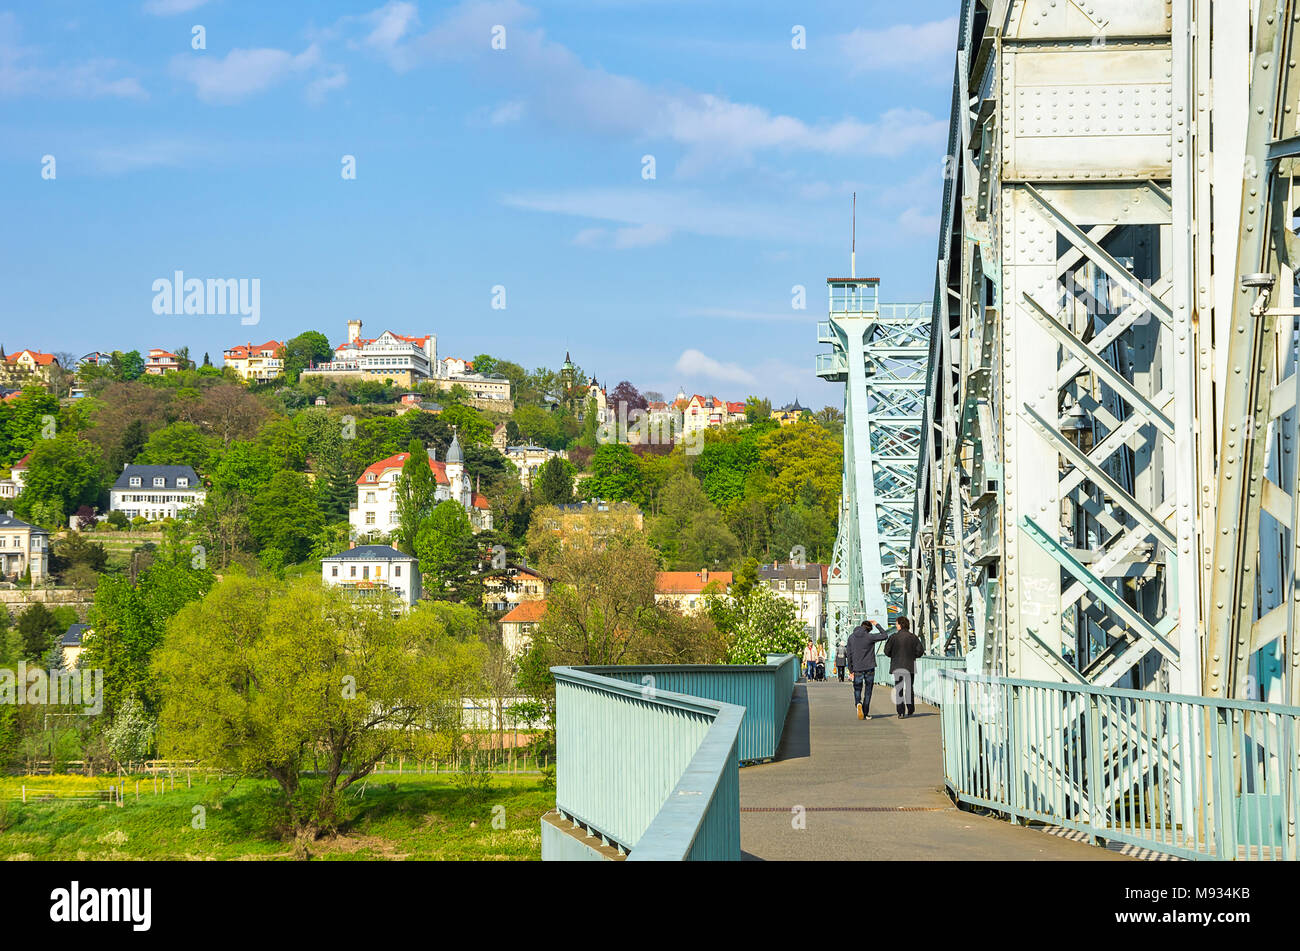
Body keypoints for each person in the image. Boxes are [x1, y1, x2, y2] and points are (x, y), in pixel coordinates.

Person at [843, 619, 890, 719]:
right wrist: (877, 624)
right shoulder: (870, 636)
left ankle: (858, 703)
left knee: (857, 689)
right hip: (869, 667)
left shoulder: (851, 638)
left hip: (857, 668)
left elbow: (849, 655)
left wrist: (851, 670)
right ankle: (865, 712)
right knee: (868, 691)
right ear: (868, 629)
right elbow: (885, 635)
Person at [883, 615, 925, 718]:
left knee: (899, 689)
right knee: (909, 688)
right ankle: (910, 709)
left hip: (897, 666)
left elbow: (886, 651)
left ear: (900, 625)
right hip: (910, 666)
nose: (896, 626)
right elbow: (920, 651)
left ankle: (901, 712)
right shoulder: (913, 637)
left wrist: (893, 656)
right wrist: (913, 656)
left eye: (896, 624)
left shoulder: (893, 637)